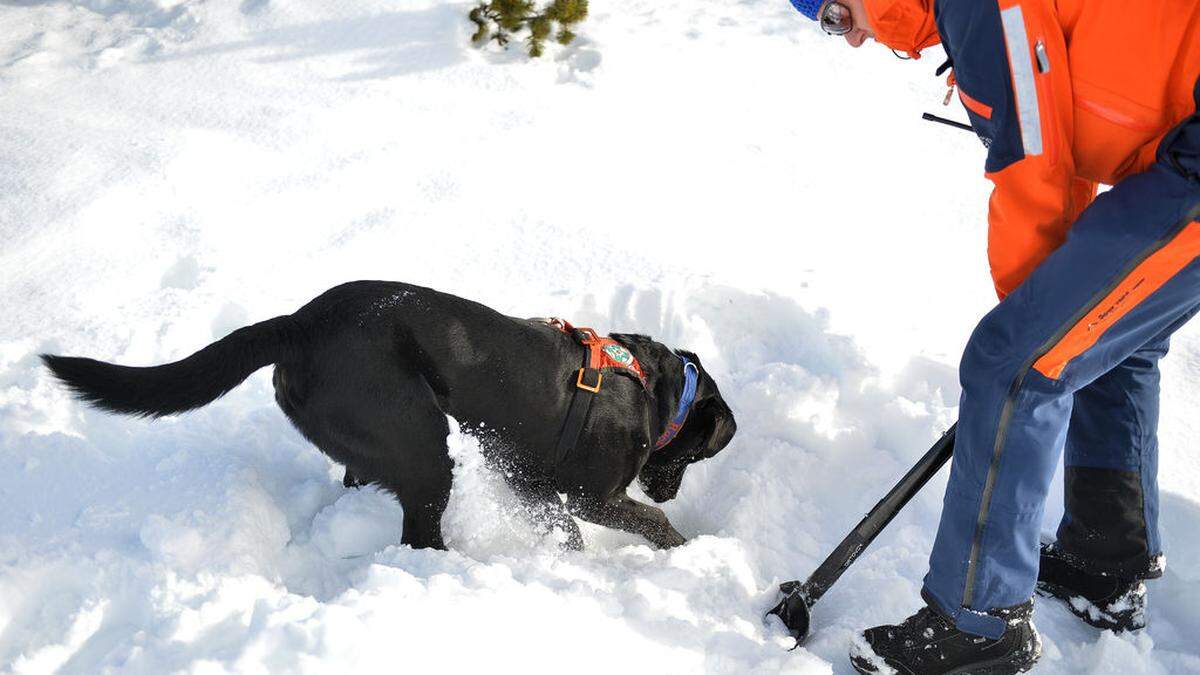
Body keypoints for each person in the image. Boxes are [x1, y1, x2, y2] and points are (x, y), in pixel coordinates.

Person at [788, 0, 1200, 673]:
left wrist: (1035, 329)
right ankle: (1105, 560)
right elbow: (1059, 149)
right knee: (1098, 331)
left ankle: (978, 624)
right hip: (1175, 155)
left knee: (1015, 362)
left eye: (836, 15)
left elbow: (1034, 161)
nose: (853, 39)